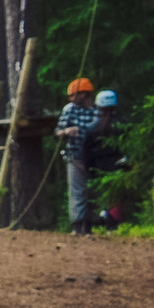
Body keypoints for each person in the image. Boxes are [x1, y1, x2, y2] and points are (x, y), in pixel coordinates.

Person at [57, 77, 106, 236]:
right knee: (77, 192)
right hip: (75, 155)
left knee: (92, 191)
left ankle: (90, 225)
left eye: (73, 95)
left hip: (95, 157)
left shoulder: (97, 111)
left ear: (83, 95)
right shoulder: (69, 110)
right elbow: (57, 132)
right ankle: (78, 227)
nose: (70, 98)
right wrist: (66, 131)